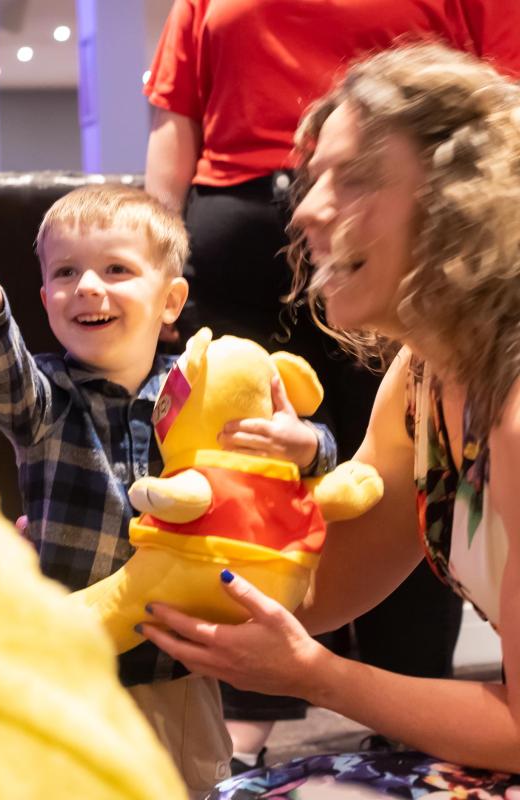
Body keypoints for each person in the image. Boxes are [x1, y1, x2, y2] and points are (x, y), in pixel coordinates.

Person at [143, 0, 520, 766]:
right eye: (311, 178)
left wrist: (318, 678)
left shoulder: (513, 413)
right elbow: (313, 592)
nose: (305, 209)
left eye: (351, 179)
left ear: (462, 199)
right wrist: (87, 554)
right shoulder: (419, 386)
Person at [0, 183, 337, 798]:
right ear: (45, 300)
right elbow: (0, 374)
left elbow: (291, 459)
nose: (88, 286)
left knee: (188, 781)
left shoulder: (205, 390)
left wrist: (307, 446)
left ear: (171, 301)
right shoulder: (46, 396)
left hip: (177, 662)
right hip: (72, 659)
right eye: (66, 273)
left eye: (116, 269)